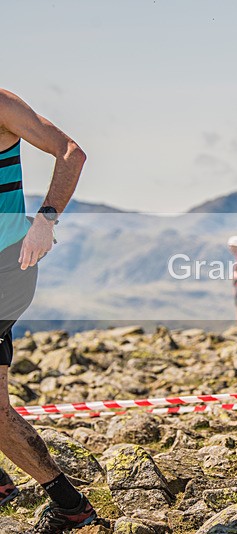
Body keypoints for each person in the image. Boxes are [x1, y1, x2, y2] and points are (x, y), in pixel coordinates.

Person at [0, 88, 97, 531]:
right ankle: (67, 504)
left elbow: (70, 153)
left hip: (7, 263)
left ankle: (69, 506)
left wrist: (46, 218)